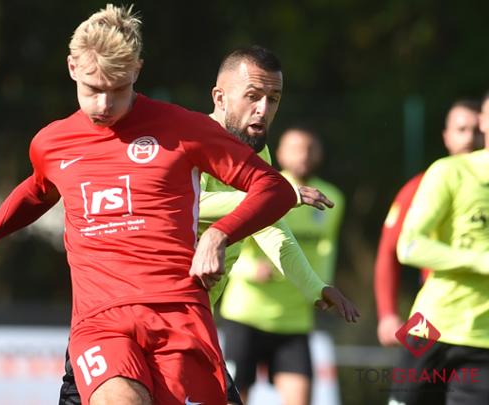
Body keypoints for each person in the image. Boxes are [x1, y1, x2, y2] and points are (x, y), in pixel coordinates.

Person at [0, 4, 304, 405]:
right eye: (93, 89)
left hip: (179, 316)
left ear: (137, 70)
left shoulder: (184, 129)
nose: (104, 105)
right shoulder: (52, 143)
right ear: (72, 67)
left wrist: (218, 236)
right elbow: (38, 190)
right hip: (100, 321)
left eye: (118, 89)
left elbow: (274, 189)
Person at [59, 45, 360, 405]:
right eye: (253, 96)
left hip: (186, 324)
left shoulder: (257, 155)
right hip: (132, 316)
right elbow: (174, 206)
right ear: (219, 97)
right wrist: (275, 195)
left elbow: (270, 226)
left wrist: (315, 286)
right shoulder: (185, 140)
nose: (263, 109)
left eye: (273, 99)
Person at [219, 126, 345, 405]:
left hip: (294, 319)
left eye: (310, 149)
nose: (304, 155)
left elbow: (327, 249)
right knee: (234, 399)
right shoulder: (265, 188)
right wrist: (251, 270)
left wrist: (321, 286)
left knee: (301, 398)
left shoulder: (332, 197)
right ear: (280, 153)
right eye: (296, 149)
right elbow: (229, 241)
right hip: (247, 314)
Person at [388, 91, 489, 404]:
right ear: (484, 121)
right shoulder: (448, 171)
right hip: (428, 324)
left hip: (484, 340)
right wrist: (478, 261)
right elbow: (408, 246)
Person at [374, 99, 481, 346]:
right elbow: (390, 250)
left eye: (476, 130)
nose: (469, 138)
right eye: (461, 130)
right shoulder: (422, 185)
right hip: (435, 314)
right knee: (412, 370)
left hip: (482, 318)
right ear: (446, 136)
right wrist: (388, 314)